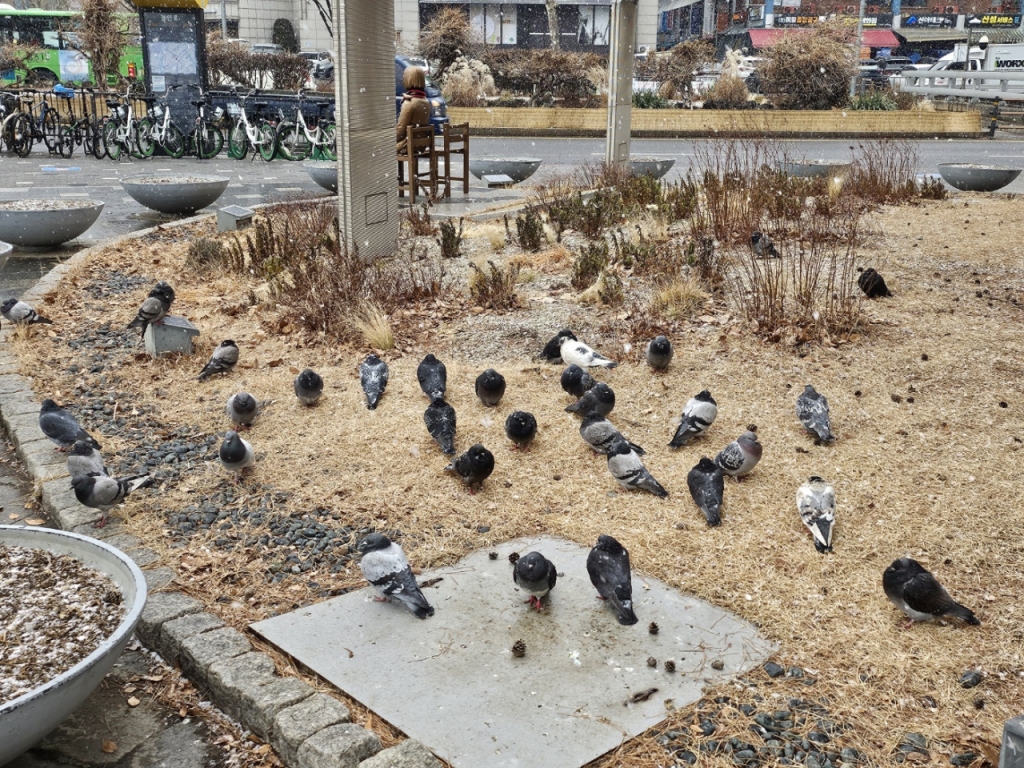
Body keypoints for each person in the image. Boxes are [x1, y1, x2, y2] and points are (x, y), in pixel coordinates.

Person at [396, 66, 431, 155]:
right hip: (421, 145)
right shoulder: (425, 101)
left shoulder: (409, 102)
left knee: (382, 150)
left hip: (408, 145)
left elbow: (400, 130)